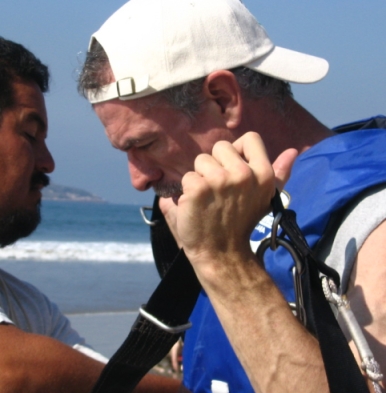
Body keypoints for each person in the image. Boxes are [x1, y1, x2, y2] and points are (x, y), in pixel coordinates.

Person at [77, 0, 386, 392]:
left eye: (146, 144)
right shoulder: (210, 209)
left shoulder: (374, 222)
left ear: (223, 98)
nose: (138, 179)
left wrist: (222, 264)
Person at [0, 36, 181, 393]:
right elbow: (13, 373)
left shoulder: (29, 307)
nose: (48, 162)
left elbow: (111, 383)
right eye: (30, 134)